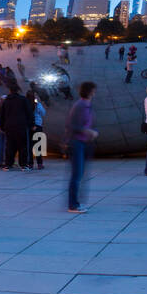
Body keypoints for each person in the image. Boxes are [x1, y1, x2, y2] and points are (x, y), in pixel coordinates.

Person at [66, 81, 97, 213]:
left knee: (80, 174)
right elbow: (71, 126)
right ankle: (73, 205)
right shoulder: (79, 106)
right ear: (89, 91)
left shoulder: (87, 105)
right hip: (76, 143)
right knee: (76, 175)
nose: (95, 93)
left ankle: (77, 202)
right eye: (93, 90)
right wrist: (88, 131)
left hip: (84, 143)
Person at [0, 85, 32, 170]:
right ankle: (23, 165)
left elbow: (1, 115)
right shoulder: (23, 100)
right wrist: (30, 124)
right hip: (21, 126)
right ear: (18, 90)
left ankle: (8, 165)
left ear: (9, 90)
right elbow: (29, 113)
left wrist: (2, 127)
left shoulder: (6, 101)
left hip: (9, 127)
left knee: (9, 146)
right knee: (23, 146)